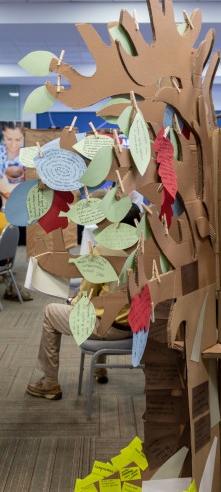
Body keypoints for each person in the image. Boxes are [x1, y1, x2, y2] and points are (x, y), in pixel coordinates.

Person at [26, 203, 140, 401]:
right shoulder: (148, 250)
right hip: (139, 328)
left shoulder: (103, 251)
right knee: (105, 303)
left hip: (108, 329)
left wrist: (72, 300)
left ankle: (49, 383)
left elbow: (85, 298)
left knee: (50, 312)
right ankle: (100, 371)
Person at [0, 122, 26, 206]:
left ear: (24, 136)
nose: (13, 145)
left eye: (18, 139)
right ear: (3, 134)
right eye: (9, 139)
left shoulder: (29, 154)